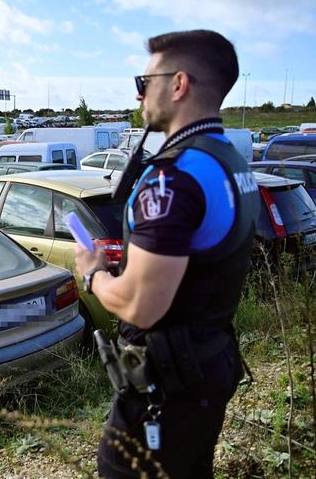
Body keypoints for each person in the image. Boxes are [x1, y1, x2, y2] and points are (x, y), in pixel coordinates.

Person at [74, 30, 260, 478]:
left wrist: (93, 275)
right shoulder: (227, 161)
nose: (138, 94)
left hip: (166, 382)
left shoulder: (171, 179)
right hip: (207, 362)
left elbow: (144, 306)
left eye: (144, 81)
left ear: (178, 85)